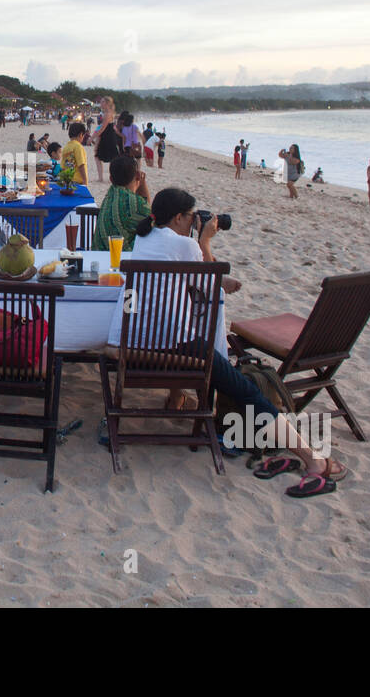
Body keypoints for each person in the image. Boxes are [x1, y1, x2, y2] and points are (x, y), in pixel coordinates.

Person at [126, 188, 344, 494]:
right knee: (247, 391)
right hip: (172, 347)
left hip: (137, 342)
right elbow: (207, 281)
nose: (194, 221)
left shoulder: (144, 238)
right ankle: (312, 459)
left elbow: (198, 277)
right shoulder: (185, 244)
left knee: (237, 381)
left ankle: (287, 446)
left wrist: (212, 267)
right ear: (177, 218)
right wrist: (204, 241)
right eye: (190, 216)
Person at [92, 154, 152, 252]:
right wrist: (142, 183)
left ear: (111, 179)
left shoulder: (112, 193)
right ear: (137, 175)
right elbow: (149, 216)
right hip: (121, 255)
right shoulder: (136, 205)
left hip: (99, 253)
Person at [93, 100, 122, 183]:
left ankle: (102, 178)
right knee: (109, 158)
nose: (101, 104)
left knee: (100, 157)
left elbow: (103, 128)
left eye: (102, 102)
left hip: (107, 137)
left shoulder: (107, 114)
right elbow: (112, 127)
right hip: (109, 136)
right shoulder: (109, 113)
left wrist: (92, 138)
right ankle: (108, 177)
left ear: (106, 103)